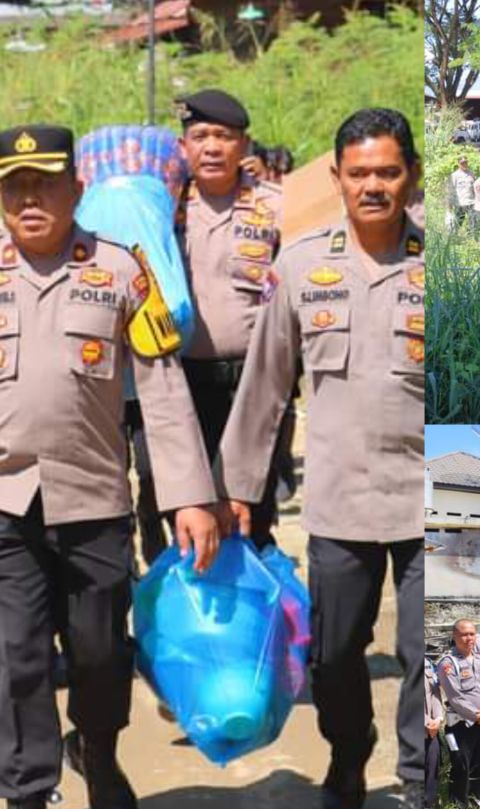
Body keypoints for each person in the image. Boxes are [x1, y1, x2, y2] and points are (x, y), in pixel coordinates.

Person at [0, 124, 220, 809]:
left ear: (76, 189)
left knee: (100, 654)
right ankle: (27, 800)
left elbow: (162, 389)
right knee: (18, 656)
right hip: (5, 503)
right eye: (13, 186)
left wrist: (189, 496)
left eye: (43, 184)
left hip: (93, 498)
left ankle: (98, 755)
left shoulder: (121, 269)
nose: (29, 199)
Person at [216, 108, 425, 809]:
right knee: (334, 656)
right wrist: (239, 489)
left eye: (388, 172)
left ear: (412, 175)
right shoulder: (302, 265)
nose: (373, 186)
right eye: (359, 173)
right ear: (336, 176)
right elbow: (266, 383)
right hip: (341, 498)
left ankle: (419, 788)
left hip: (426, 503)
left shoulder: (439, 263)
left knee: (422, 653)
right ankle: (348, 751)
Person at [174, 88, 289, 548]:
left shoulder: (277, 206)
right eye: (200, 136)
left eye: (223, 136)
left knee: (252, 511)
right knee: (188, 509)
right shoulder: (167, 209)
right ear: (183, 146)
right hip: (184, 385)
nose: (211, 147)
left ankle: (254, 587)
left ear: (244, 144)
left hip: (255, 384)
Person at [435, 620, 480, 809]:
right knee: (461, 766)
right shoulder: (448, 663)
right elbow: (455, 697)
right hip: (461, 726)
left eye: (472, 634)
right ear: (455, 636)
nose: (469, 638)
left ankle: (476, 796)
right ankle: (459, 807)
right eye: (464, 634)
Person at [424, 658, 444, 809]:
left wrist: (437, 719)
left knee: (432, 771)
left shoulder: (427, 664)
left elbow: (435, 694)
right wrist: (425, 721)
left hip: (431, 731)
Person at [448, 155, 475, 228]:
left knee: (472, 224)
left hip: (471, 203)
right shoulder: (454, 175)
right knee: (457, 224)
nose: (464, 164)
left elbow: (474, 188)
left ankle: (472, 234)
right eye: (462, 163)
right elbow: (451, 191)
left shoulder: (471, 174)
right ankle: (455, 235)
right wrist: (449, 208)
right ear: (458, 164)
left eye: (465, 162)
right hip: (460, 204)